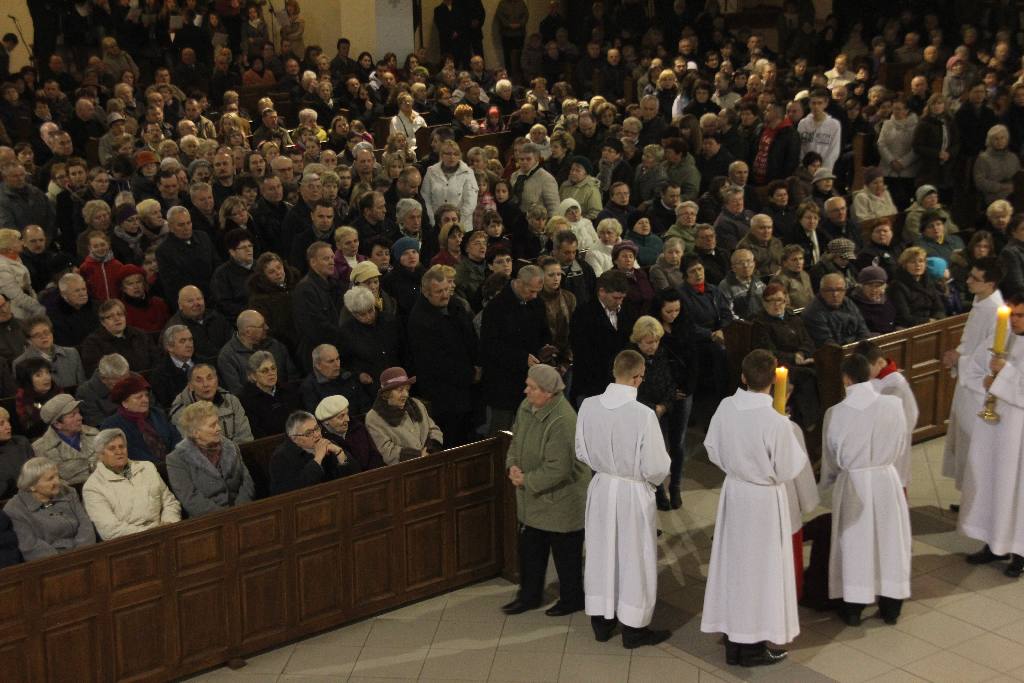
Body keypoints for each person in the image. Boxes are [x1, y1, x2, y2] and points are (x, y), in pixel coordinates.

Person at [702, 350, 809, 666]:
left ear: (743, 377)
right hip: (764, 501)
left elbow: (711, 448)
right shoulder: (775, 421)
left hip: (736, 494)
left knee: (735, 566)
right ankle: (751, 647)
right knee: (761, 573)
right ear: (772, 381)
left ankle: (735, 641)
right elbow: (790, 467)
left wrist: (737, 469)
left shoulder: (726, 407)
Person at [576, 350, 672, 648]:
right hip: (632, 492)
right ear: (637, 377)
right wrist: (650, 484)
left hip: (602, 487)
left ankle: (602, 623)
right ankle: (633, 629)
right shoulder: (643, 415)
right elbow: (657, 465)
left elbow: (581, 451)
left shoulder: (588, 406)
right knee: (634, 557)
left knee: (601, 552)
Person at [820, 353, 912, 625]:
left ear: (846, 379)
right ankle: (891, 606)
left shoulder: (836, 413)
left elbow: (832, 456)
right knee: (889, 541)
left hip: (854, 483)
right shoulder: (893, 405)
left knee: (855, 543)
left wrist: (828, 481)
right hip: (886, 478)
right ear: (870, 374)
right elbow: (902, 443)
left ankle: (853, 607)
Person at [502, 364, 590, 616]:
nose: (525, 390)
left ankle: (572, 598)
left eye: (532, 387)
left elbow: (559, 469)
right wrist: (512, 466)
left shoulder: (563, 420)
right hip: (533, 498)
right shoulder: (526, 407)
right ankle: (528, 596)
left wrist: (525, 480)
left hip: (561, 501)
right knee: (531, 551)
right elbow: (515, 440)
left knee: (566, 556)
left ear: (548, 393)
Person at [957, 292, 1024, 576]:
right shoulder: (1000, 335)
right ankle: (990, 542)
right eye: (1013, 315)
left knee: (1016, 490)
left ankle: (1019, 552)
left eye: (1021, 316)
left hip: (1018, 434)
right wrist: (986, 381)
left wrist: (1004, 374)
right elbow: (973, 369)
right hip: (993, 428)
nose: (1015, 321)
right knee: (989, 480)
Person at [942, 257, 1004, 493]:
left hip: (979, 386)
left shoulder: (997, 312)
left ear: (990, 283)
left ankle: (977, 496)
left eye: (975, 278)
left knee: (975, 442)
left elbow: (991, 352)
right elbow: (970, 342)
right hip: (967, 382)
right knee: (964, 440)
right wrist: (957, 354)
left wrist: (961, 359)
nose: (968, 281)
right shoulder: (980, 301)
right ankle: (968, 495)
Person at [406, 268, 480, 447]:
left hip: (466, 386)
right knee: (452, 439)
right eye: (439, 292)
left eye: (447, 289)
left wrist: (477, 364)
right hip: (444, 394)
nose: (445, 295)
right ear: (426, 292)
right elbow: (436, 361)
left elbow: (470, 337)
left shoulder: (455, 305)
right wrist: (469, 374)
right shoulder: (420, 320)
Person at [481, 266, 553, 433]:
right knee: (501, 432)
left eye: (538, 291)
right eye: (531, 291)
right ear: (519, 282)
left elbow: (544, 332)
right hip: (503, 384)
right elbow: (489, 346)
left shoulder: (536, 303)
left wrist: (546, 348)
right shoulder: (496, 307)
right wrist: (521, 358)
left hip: (532, 381)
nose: (534, 296)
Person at [82, 428, 181, 539]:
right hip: (129, 543)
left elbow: (170, 502)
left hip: (165, 532)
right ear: (100, 455)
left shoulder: (147, 468)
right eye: (112, 448)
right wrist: (151, 533)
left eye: (122, 446)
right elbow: (109, 530)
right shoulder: (93, 487)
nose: (119, 452)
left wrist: (169, 523)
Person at [166, 401, 255, 518]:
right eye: (212, 425)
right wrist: (223, 516)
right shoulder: (177, 460)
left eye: (217, 423)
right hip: (208, 521)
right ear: (195, 432)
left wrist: (239, 510)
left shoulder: (231, 446)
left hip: (243, 512)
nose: (219, 428)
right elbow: (190, 499)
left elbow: (246, 481)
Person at [3, 456, 96, 561]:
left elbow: (85, 525)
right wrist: (65, 561)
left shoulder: (68, 492)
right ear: (32, 486)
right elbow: (31, 547)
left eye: (57, 476)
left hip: (84, 554)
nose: (58, 482)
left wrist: (82, 553)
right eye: (50, 479)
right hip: (51, 564)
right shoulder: (15, 509)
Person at [856, 341, 919, 487]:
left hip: (891, 446)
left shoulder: (895, 384)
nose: (863, 374)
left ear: (879, 362)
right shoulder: (874, 377)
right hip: (874, 445)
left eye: (865, 368)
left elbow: (908, 417)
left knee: (893, 484)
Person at [569, 270, 633, 406]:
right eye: (616, 298)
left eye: (622, 298)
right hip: (592, 386)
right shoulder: (583, 314)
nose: (619, 302)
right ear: (602, 291)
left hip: (619, 383)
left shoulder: (627, 309)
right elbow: (582, 352)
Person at [365, 367, 443, 465]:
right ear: (387, 393)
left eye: (407, 389)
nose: (406, 394)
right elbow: (386, 451)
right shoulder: (374, 418)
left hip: (431, 461)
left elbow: (434, 430)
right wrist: (417, 456)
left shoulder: (416, 404)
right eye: (400, 390)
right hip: (403, 471)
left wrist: (430, 450)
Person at [270, 410, 360, 495]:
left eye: (317, 428)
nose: (317, 435)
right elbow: (296, 490)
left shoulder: (327, 443)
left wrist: (339, 453)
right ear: (294, 438)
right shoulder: (281, 458)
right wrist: (318, 458)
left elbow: (356, 474)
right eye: (309, 433)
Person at [100, 373, 180, 467]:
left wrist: (174, 459)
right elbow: (129, 454)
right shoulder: (112, 425)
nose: (145, 400)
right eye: (139, 397)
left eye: (146, 395)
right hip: (141, 471)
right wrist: (159, 466)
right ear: (125, 403)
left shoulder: (157, 414)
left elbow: (175, 438)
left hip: (174, 465)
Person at [168, 364, 254, 444]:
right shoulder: (181, 412)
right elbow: (190, 447)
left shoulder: (231, 401)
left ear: (217, 380)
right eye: (199, 380)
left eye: (210, 378)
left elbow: (244, 437)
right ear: (190, 386)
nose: (206, 384)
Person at [31, 395, 98, 488]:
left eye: (78, 412)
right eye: (72, 415)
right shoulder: (41, 449)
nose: (80, 417)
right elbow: (53, 484)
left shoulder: (94, 433)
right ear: (57, 424)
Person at [238, 351, 300, 438]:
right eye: (264, 371)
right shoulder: (246, 400)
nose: (271, 373)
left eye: (273, 368)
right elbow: (257, 432)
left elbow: (301, 418)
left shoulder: (289, 390)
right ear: (253, 376)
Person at [316, 395, 384, 471]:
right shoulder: (322, 442)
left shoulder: (358, 427)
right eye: (341, 416)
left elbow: (374, 454)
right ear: (326, 421)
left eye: (347, 414)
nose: (347, 419)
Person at [803, 273, 872, 348]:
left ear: (845, 291)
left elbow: (863, 329)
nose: (835, 294)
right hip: (834, 355)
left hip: (857, 350)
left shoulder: (848, 302)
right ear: (821, 291)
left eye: (839, 290)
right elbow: (827, 343)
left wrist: (862, 348)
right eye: (829, 290)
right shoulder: (813, 312)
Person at [0, 406, 33, 499]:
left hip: (31, 496)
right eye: (1, 424)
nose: (8, 426)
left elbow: (36, 474)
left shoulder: (21, 442)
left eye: (8, 421)